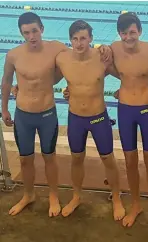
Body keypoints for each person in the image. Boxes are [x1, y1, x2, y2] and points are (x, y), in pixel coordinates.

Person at [1, 12, 110, 217]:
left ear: (42, 29)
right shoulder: (13, 55)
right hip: (23, 114)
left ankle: (53, 195)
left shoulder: (56, 49)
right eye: (26, 32)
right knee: (25, 159)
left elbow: (79, 53)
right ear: (21, 33)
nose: (31, 36)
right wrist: (4, 108)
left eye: (34, 30)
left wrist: (102, 47)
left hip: (47, 113)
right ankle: (28, 194)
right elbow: (6, 81)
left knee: (49, 157)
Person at [51, 20, 125, 221]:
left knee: (108, 158)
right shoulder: (63, 60)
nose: (79, 43)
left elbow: (127, 77)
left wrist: (124, 90)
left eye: (83, 38)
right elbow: (48, 80)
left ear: (91, 39)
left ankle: (116, 197)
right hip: (75, 117)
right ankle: (76, 196)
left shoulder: (102, 58)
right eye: (75, 39)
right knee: (76, 158)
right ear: (70, 41)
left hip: (98, 117)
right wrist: (18, 87)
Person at [109, 12, 148, 235]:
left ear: (140, 31)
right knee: (130, 161)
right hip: (125, 109)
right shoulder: (113, 49)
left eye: (132, 32)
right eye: (124, 33)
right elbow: (101, 68)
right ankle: (136, 205)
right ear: (119, 33)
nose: (128, 37)